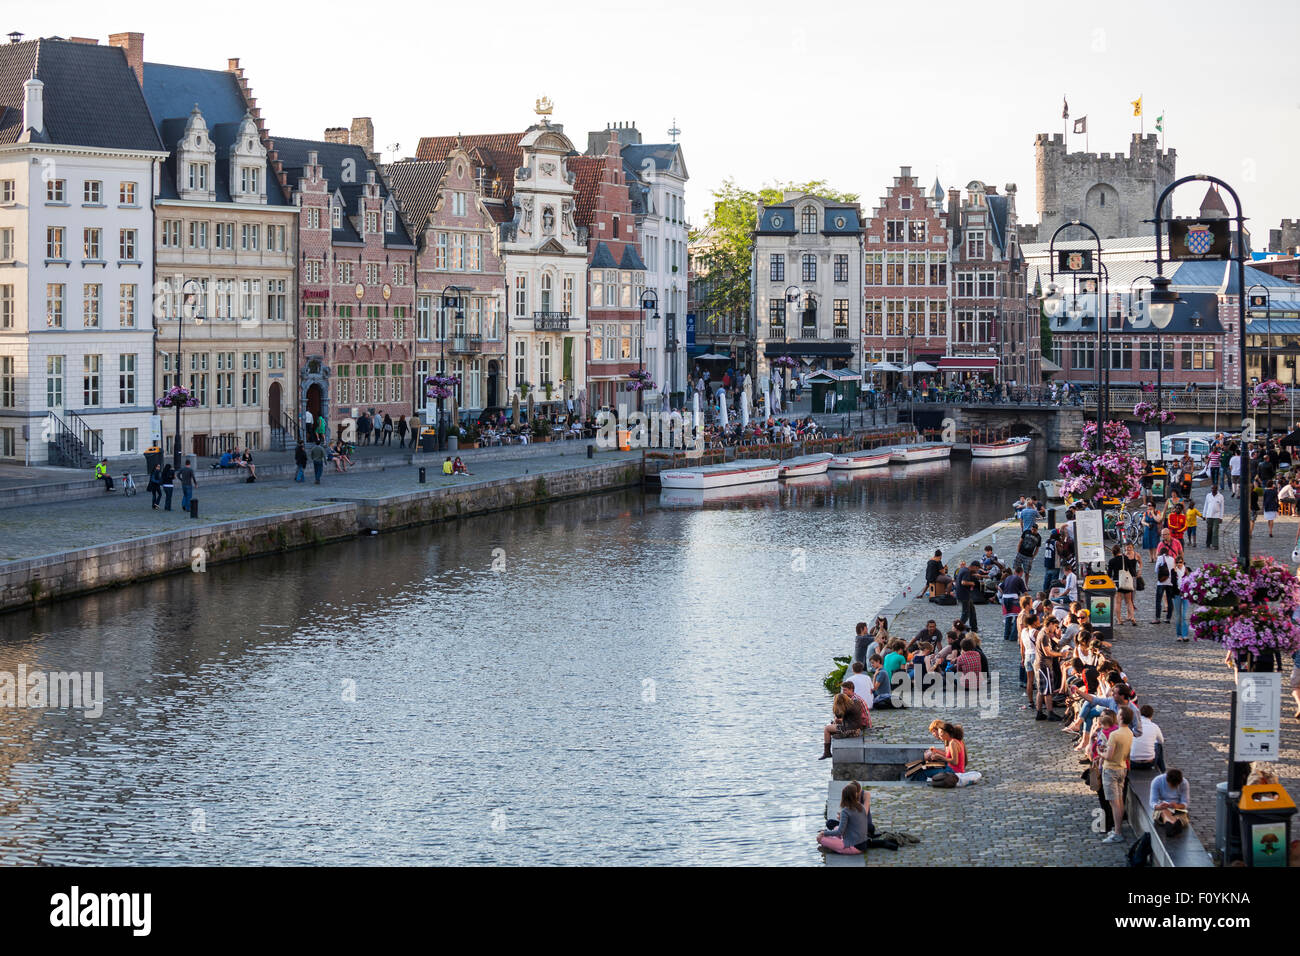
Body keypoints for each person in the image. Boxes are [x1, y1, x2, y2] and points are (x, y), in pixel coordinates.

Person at [1100, 705, 1135, 844]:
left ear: (1120, 717)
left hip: (1111, 769)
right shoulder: (1129, 733)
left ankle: (1118, 832)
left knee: (1114, 803)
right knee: (1119, 801)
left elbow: (1108, 756)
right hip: (1122, 767)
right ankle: (1117, 829)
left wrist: (1100, 752)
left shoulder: (1115, 734)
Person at [817, 781, 871, 855]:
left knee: (821, 838)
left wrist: (824, 833)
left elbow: (840, 832)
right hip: (862, 844)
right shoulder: (860, 806)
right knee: (836, 827)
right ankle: (834, 844)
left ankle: (834, 849)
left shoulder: (845, 811)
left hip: (853, 847)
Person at [820, 691, 866, 759]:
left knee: (827, 729)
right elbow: (849, 719)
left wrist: (835, 717)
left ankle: (827, 752)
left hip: (850, 729)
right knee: (833, 725)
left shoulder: (847, 709)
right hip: (857, 727)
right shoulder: (856, 703)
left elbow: (837, 717)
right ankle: (827, 751)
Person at [1108, 543, 1142, 627]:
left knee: (1118, 602)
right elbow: (1131, 570)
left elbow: (1109, 574)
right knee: (1129, 601)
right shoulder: (1125, 558)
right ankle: (1132, 617)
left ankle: (1119, 620)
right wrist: (1136, 575)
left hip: (1117, 582)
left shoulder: (1111, 561)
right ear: (1120, 551)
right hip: (1126, 581)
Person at [1149, 768, 1190, 837]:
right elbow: (1152, 802)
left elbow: (1185, 803)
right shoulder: (1157, 781)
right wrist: (1159, 806)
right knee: (1164, 812)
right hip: (1162, 808)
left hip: (1177, 809)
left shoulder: (1184, 783)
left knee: (1182, 816)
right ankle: (1173, 824)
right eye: (1172, 785)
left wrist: (1176, 806)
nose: (1174, 787)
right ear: (1167, 780)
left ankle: (1171, 825)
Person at [954, 559, 978, 632]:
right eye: (977, 568)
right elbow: (963, 582)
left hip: (963, 594)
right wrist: (972, 583)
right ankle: (957, 629)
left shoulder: (963, 569)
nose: (977, 570)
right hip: (964, 595)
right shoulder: (966, 571)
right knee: (965, 615)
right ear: (974, 567)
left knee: (972, 611)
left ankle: (974, 628)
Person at [1203, 485, 1225, 550]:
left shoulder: (1220, 497)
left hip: (1217, 516)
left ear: (1216, 489)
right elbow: (1205, 505)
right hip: (1209, 515)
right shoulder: (1208, 496)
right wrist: (1204, 515)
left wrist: (1221, 517)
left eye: (1214, 489)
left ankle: (1215, 544)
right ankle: (1208, 543)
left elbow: (1222, 507)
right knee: (1209, 530)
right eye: (1212, 488)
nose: (1213, 490)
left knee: (1215, 530)